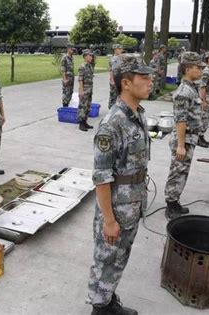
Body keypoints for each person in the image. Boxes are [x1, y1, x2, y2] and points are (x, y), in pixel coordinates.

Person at [88, 53, 153, 315]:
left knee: (119, 258)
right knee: (106, 259)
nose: (150, 81)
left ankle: (107, 298)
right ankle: (99, 308)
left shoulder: (136, 114)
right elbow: (101, 177)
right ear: (126, 83)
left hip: (132, 203)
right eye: (144, 77)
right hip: (116, 208)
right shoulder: (112, 124)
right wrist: (109, 220)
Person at [163, 52, 205, 219]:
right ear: (188, 69)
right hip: (184, 138)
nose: (201, 70)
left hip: (189, 138)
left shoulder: (191, 87)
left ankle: (175, 201)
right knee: (177, 171)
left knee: (182, 171)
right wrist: (181, 145)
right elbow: (180, 120)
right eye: (198, 67)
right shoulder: (183, 92)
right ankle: (171, 204)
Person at [77, 49, 95, 132]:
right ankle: (81, 124)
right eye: (89, 55)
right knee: (82, 106)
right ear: (85, 56)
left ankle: (85, 122)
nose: (91, 57)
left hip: (89, 89)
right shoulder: (82, 66)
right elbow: (80, 79)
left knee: (87, 106)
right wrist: (81, 90)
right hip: (84, 89)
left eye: (91, 56)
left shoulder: (90, 66)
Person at [108, 44, 124, 108]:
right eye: (119, 49)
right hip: (115, 80)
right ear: (115, 50)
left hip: (121, 80)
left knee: (121, 95)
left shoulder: (122, 58)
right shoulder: (113, 59)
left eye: (121, 49)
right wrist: (112, 80)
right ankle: (111, 109)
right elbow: (111, 70)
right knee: (113, 96)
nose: (121, 50)